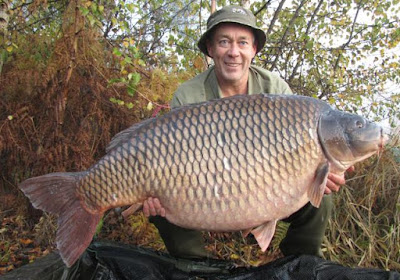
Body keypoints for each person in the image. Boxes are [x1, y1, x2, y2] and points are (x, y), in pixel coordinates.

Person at [137, 5, 350, 259]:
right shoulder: (189, 95)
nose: (233, 52)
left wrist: (324, 171)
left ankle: (300, 264)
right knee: (161, 205)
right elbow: (173, 160)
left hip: (264, 186)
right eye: (224, 42)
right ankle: (196, 268)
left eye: (243, 43)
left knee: (319, 196)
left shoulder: (275, 89)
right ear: (211, 49)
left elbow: (300, 148)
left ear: (254, 49)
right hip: (204, 191)